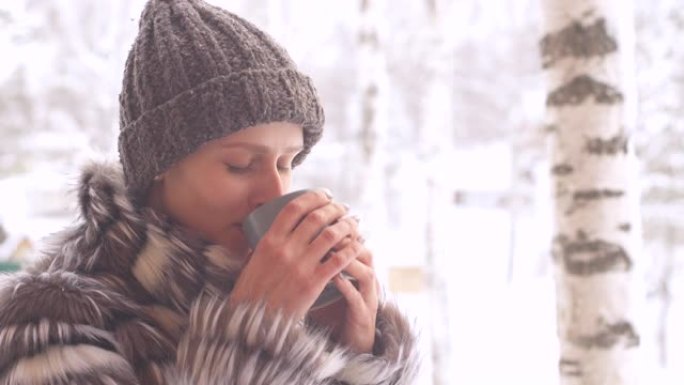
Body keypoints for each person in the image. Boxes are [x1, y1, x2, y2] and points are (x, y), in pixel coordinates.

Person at [0, 0, 419, 384]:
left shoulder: (285, 293)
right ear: (160, 164)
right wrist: (254, 336)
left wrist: (347, 350)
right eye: (240, 165)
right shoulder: (50, 324)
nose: (273, 191)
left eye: (287, 163)